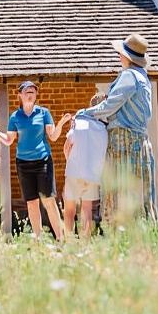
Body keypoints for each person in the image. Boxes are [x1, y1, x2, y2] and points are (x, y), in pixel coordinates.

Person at [0, 81, 71, 241]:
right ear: (20, 95)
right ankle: (38, 240)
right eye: (27, 91)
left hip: (43, 162)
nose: (30, 94)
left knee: (48, 200)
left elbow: (53, 136)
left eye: (33, 92)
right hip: (23, 164)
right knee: (32, 203)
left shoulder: (44, 113)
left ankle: (61, 239)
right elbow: (8, 140)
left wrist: (61, 123)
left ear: (36, 96)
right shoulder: (15, 117)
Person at [78, 33, 156, 221]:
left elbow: (110, 105)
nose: (119, 57)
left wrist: (84, 113)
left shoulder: (129, 76)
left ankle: (122, 237)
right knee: (138, 196)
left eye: (120, 54)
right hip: (138, 142)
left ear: (127, 57)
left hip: (124, 143)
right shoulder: (143, 77)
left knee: (121, 193)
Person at [63, 93, 108, 240]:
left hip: (74, 171)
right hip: (93, 175)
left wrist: (69, 162)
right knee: (87, 210)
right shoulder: (104, 129)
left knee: (69, 209)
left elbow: (67, 145)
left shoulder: (79, 122)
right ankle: (86, 244)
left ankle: (68, 242)